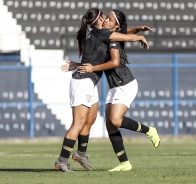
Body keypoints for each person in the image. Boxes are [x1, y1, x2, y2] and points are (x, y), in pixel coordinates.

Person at [55, 8, 150, 172]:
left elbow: (120, 32)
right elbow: (125, 36)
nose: (106, 19)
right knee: (78, 123)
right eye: (105, 16)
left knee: (90, 121)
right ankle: (62, 161)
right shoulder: (101, 33)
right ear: (99, 20)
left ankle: (81, 154)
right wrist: (139, 36)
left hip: (89, 82)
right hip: (82, 82)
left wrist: (138, 29)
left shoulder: (98, 33)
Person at [76, 9, 160, 172]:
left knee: (115, 120)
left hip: (125, 84)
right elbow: (125, 31)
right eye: (106, 17)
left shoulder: (113, 40)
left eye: (109, 19)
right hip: (115, 86)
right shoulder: (108, 34)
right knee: (110, 125)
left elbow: (115, 62)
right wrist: (138, 29)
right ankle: (124, 163)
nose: (106, 19)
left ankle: (149, 130)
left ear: (116, 25)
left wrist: (93, 68)